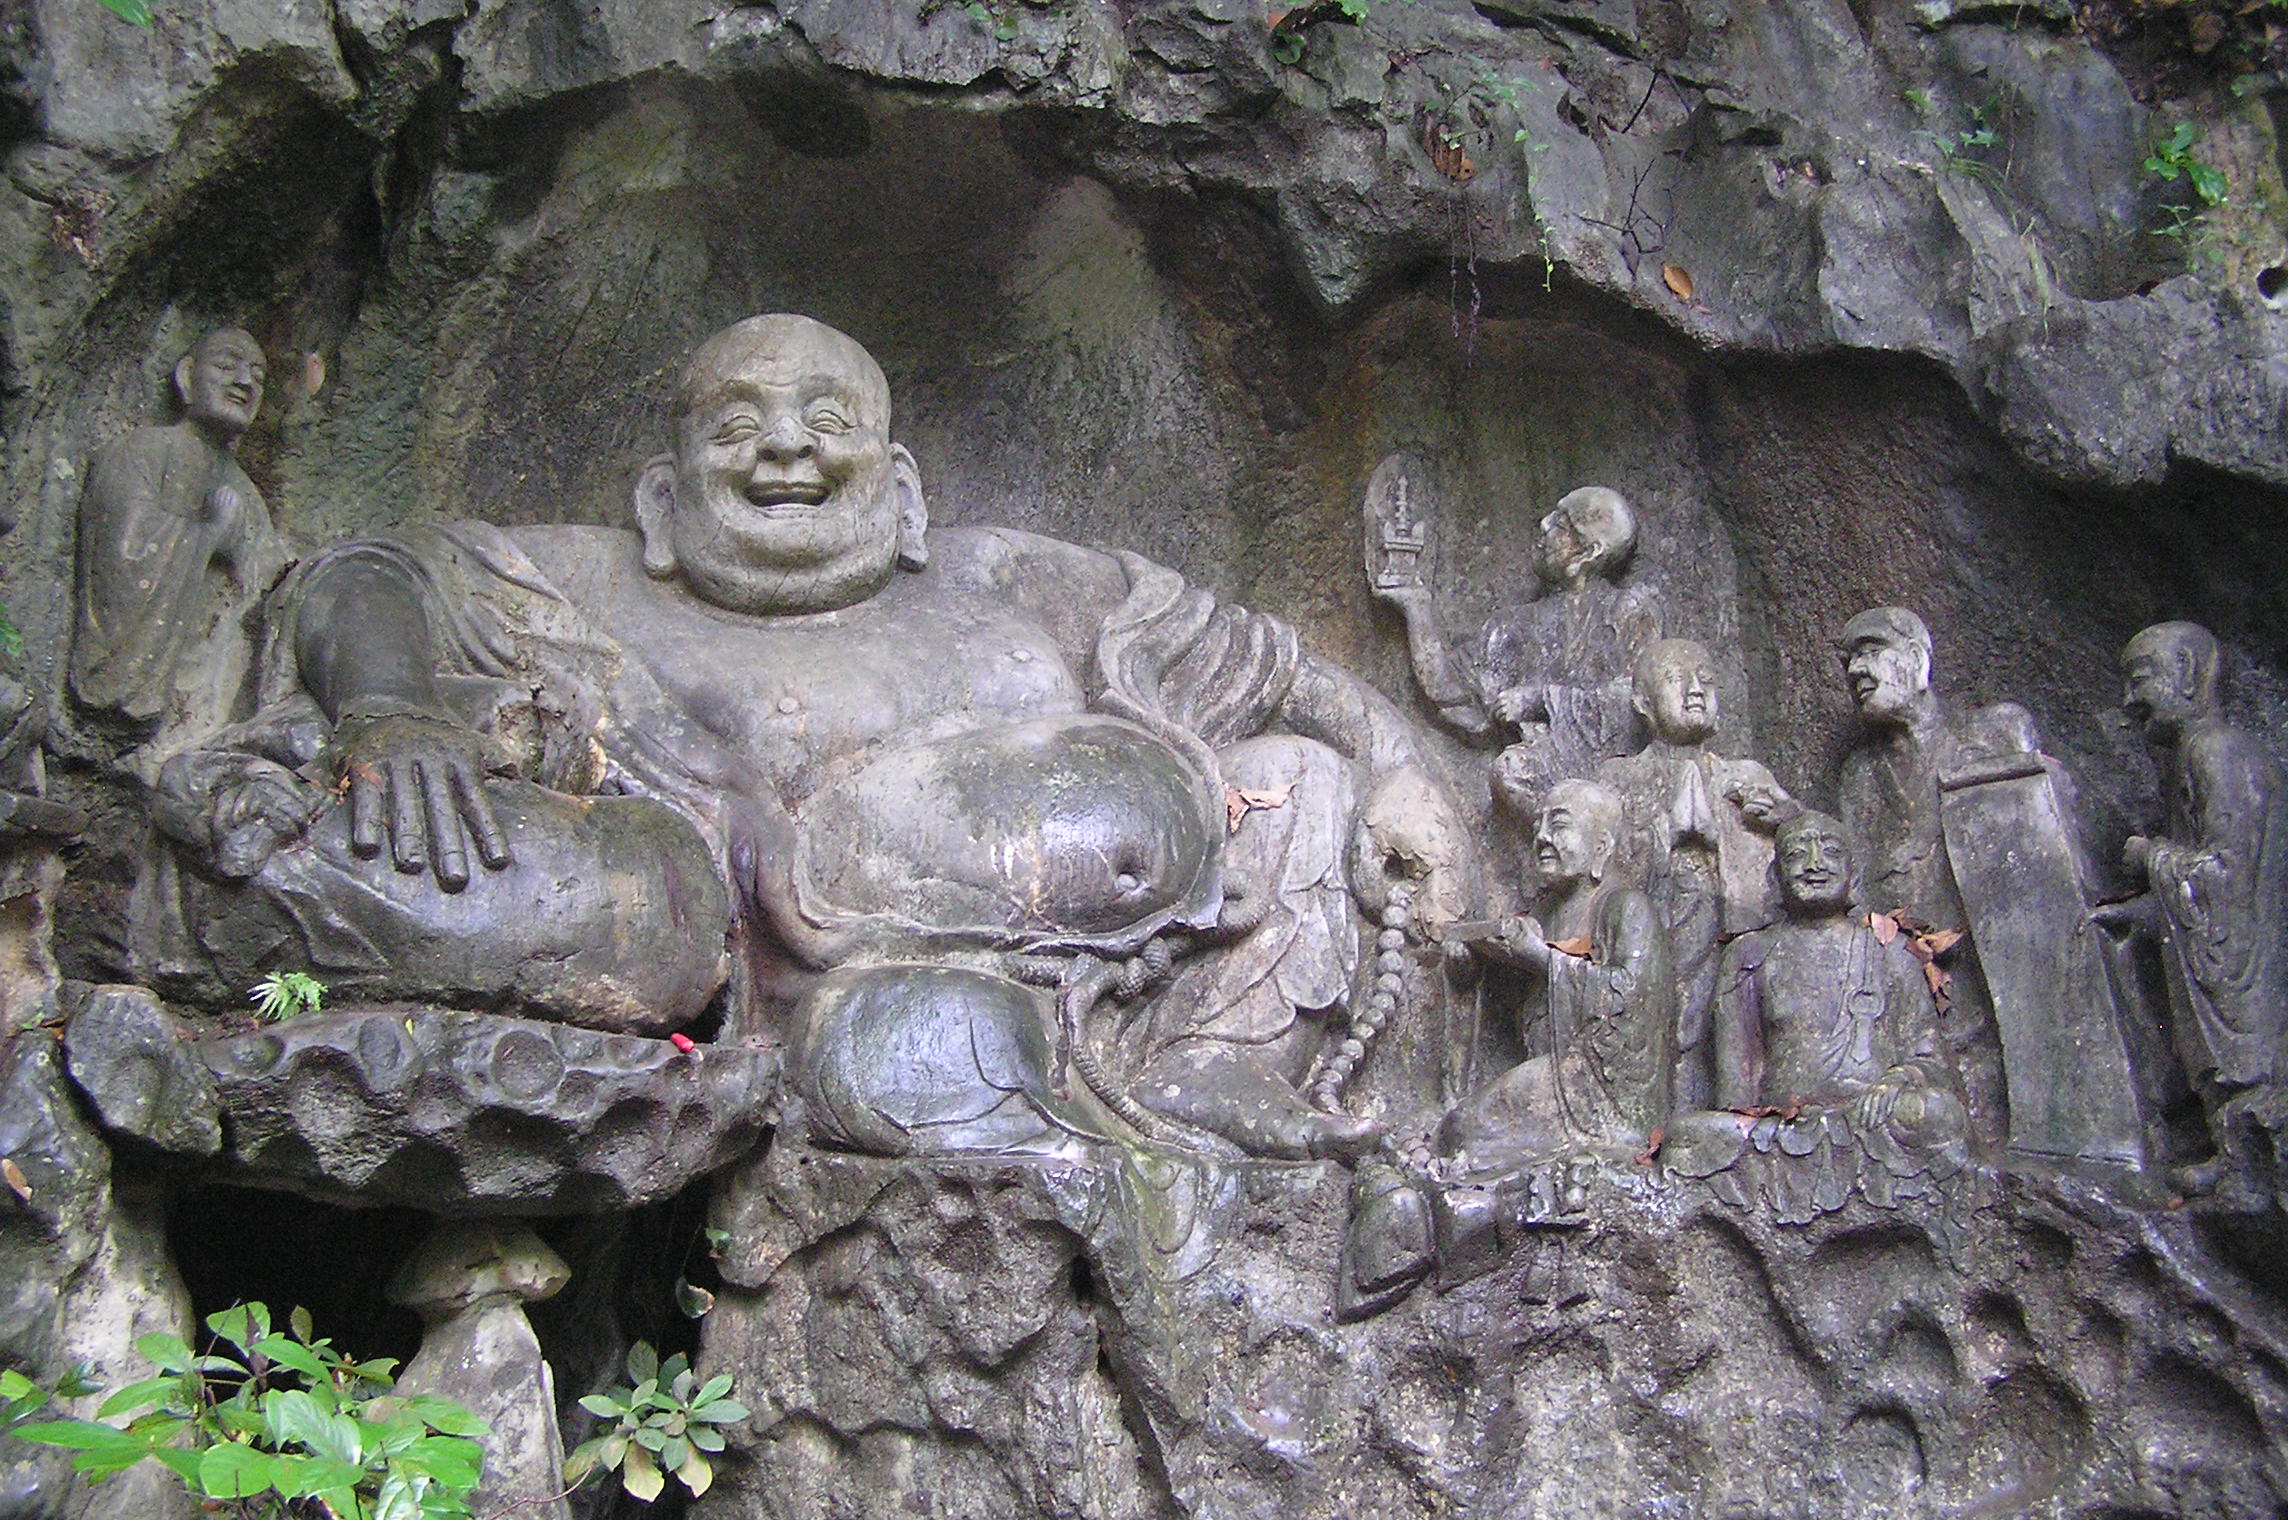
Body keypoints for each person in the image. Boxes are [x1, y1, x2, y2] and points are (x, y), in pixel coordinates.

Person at [149, 314, 1474, 1160]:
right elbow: (359, 573)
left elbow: (1278, 669)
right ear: (664, 495)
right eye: (738, 425)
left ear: (897, 486)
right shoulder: (589, 580)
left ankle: (1210, 1074)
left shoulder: (1012, 584)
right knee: (488, 870)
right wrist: (388, 705)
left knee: (1297, 783)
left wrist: (1406, 769)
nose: (785, 446)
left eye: (827, 420)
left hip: (1118, 975)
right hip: (773, 999)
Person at [2096, 621, 2287, 1191]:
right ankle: (2234, 1150)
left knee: (2244, 1052)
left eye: (2141, 679)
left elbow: (2226, 876)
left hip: (2249, 955)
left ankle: (2251, 1154)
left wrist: (2149, 856)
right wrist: (2146, 913)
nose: (2130, 703)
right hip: (2221, 940)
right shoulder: (2190, 757)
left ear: (2184, 674)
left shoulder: (2218, 750)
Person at [72, 327, 287, 779]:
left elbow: (267, 588)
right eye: (226, 366)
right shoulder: (142, 450)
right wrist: (206, 535)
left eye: (258, 376)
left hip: (212, 680)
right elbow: (120, 562)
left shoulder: (247, 495)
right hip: (154, 680)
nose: (244, 383)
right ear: (187, 376)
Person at [1372, 483, 1657, 811]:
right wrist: (1416, 608)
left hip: (1614, 782)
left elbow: (1638, 701)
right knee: (1511, 771)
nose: (1544, 525)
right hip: (1536, 775)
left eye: (1561, 524)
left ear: (1587, 553)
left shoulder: (1629, 612)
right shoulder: (1513, 625)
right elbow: (1451, 689)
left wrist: (1541, 701)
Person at [1596, 638, 1794, 1109]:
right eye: (1674, 680)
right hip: (1651, 947)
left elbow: (1802, 861)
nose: (1694, 690)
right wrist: (1663, 838)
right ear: (1643, 702)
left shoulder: (1746, 777)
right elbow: (1598, 879)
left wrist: (1782, 819)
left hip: (1728, 941)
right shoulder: (1618, 781)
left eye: (1705, 680)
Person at [1439, 779, 1673, 1173]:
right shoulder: (1543, 914)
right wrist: (1471, 966)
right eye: (1538, 828)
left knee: (1467, 1131)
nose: (1543, 838)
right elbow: (1517, 1003)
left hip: (1600, 1091)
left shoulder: (1625, 908)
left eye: (1559, 825)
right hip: (1553, 1073)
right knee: (1458, 1130)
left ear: (1601, 846)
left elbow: (1635, 1002)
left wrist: (1543, 961)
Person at [1832, 606, 2005, 1137]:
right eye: (1849, 660)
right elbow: (1852, 892)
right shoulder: (1860, 777)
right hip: (1904, 987)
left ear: (1916, 660)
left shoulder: (1987, 739)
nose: (1856, 671)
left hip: (1986, 974)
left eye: (1869, 651)